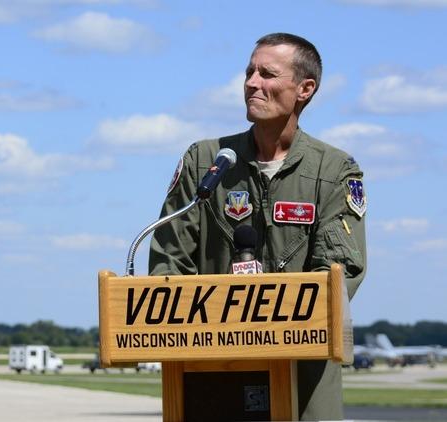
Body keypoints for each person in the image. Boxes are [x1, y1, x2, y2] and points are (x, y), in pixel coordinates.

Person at [149, 33, 366, 420]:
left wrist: (274, 321)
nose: (252, 82)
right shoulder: (206, 162)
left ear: (305, 89)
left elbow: (339, 270)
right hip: (213, 364)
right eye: (250, 71)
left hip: (305, 369)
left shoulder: (334, 171)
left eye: (267, 73)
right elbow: (169, 257)